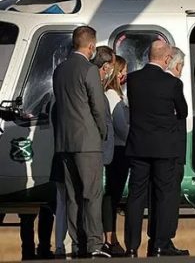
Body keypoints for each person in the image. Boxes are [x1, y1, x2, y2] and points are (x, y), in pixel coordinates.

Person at [124, 41, 188, 257]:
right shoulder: (172, 84)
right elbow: (183, 111)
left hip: (138, 147)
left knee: (136, 196)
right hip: (164, 149)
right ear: (168, 59)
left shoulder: (133, 80)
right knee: (163, 195)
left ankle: (132, 246)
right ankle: (160, 244)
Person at [52, 26, 109, 258]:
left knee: (73, 195)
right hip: (87, 142)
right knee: (92, 194)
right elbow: (97, 106)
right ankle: (95, 244)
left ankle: (78, 243)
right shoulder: (89, 70)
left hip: (65, 141)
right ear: (91, 46)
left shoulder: (60, 70)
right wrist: (102, 131)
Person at [147, 47, 186, 254]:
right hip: (172, 150)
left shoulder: (153, 83)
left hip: (154, 147)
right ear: (177, 65)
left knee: (157, 195)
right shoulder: (173, 84)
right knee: (169, 197)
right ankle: (164, 241)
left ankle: (157, 239)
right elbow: (183, 112)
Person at [101, 55, 129, 257]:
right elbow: (120, 127)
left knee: (113, 195)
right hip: (119, 150)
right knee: (112, 195)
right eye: (123, 71)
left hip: (119, 149)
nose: (125, 75)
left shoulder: (117, 95)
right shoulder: (112, 96)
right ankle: (110, 238)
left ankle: (111, 237)